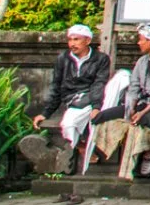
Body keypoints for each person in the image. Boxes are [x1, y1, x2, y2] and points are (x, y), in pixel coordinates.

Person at [91, 25, 150, 179]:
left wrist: (142, 113)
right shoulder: (142, 62)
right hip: (142, 102)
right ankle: (110, 150)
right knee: (102, 116)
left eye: (141, 39)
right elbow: (133, 87)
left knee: (147, 121)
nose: (138, 43)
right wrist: (131, 108)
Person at [31, 24, 111, 172]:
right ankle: (81, 146)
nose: (72, 44)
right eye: (70, 40)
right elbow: (57, 86)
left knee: (87, 114)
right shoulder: (63, 59)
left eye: (76, 39)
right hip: (73, 99)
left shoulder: (101, 59)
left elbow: (99, 84)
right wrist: (46, 113)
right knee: (68, 124)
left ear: (87, 41)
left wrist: (96, 106)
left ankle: (81, 148)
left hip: (92, 96)